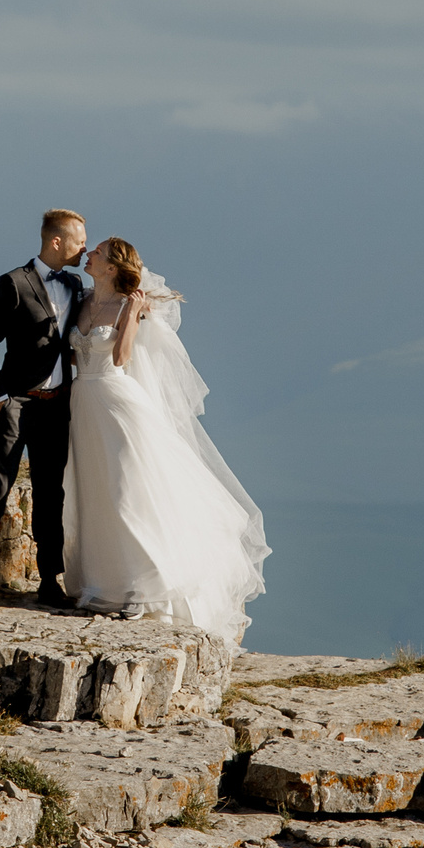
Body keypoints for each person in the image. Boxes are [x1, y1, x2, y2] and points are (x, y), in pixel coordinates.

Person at [63, 236, 268, 643]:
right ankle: (105, 585)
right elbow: (72, 353)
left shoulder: (128, 305)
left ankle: (146, 586)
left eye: (96, 252)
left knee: (126, 490)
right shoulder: (81, 300)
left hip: (116, 399)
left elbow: (122, 357)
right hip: (83, 403)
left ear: (111, 266)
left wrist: (133, 315)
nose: (88, 255)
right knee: (95, 491)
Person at [0, 208, 90, 610]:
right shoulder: (14, 283)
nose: (84, 248)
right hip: (14, 403)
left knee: (51, 494)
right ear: (56, 242)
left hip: (57, 407)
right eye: (79, 240)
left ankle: (49, 582)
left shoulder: (74, 284)